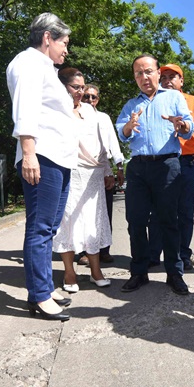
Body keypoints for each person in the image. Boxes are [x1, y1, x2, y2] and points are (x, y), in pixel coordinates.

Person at [6, 13, 78, 322]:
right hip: (43, 156)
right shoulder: (29, 63)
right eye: (64, 42)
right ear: (47, 38)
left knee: (49, 227)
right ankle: (38, 296)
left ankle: (45, 289)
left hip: (58, 158)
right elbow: (25, 107)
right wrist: (29, 152)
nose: (66, 50)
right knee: (39, 227)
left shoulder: (44, 67)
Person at [115, 55, 193, 296]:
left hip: (167, 165)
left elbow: (189, 127)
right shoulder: (130, 105)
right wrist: (128, 126)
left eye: (148, 71)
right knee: (136, 221)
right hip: (138, 168)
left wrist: (181, 126)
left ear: (158, 73)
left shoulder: (173, 97)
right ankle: (139, 272)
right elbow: (122, 132)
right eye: (138, 73)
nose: (144, 77)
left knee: (169, 220)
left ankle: (174, 273)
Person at [148, 63, 194, 269]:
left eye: (173, 77)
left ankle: (183, 254)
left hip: (187, 162)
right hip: (160, 162)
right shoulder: (153, 100)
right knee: (158, 210)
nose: (168, 80)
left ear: (181, 81)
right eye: (164, 77)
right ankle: (153, 254)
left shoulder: (192, 101)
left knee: (185, 211)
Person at [52, 68, 113, 293]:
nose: (80, 92)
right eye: (76, 88)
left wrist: (108, 170)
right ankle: (69, 273)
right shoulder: (56, 108)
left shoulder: (91, 112)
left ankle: (96, 271)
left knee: (93, 222)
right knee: (68, 221)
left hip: (94, 176)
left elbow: (103, 144)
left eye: (82, 88)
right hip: (69, 172)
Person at [80, 83, 124, 263]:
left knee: (104, 212)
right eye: (86, 96)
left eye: (93, 97)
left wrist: (119, 167)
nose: (90, 100)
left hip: (103, 171)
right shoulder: (73, 116)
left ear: (98, 99)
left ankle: (104, 250)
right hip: (80, 170)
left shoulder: (104, 118)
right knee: (82, 213)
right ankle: (84, 251)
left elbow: (113, 143)